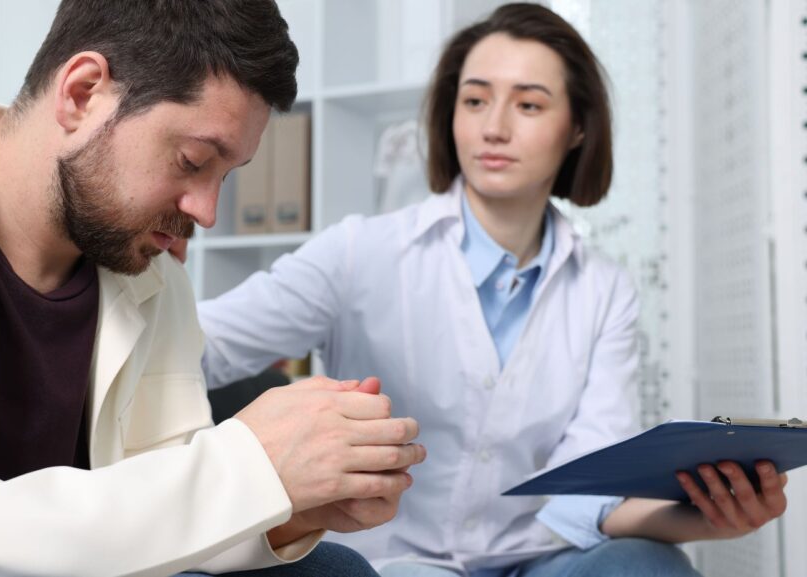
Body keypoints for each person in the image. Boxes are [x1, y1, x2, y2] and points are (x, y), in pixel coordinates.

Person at [0, 1, 427, 576]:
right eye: (193, 161)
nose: (206, 212)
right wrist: (248, 465)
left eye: (226, 176)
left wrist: (289, 500)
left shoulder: (148, 273)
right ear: (83, 92)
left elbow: (171, 507)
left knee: (331, 569)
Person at [197, 4, 787, 576]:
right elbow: (206, 347)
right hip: (396, 561)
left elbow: (587, 491)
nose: (494, 127)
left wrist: (706, 519)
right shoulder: (360, 253)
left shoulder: (604, 291)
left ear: (578, 127)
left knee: (648, 565)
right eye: (475, 100)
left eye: (529, 104)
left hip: (541, 559)